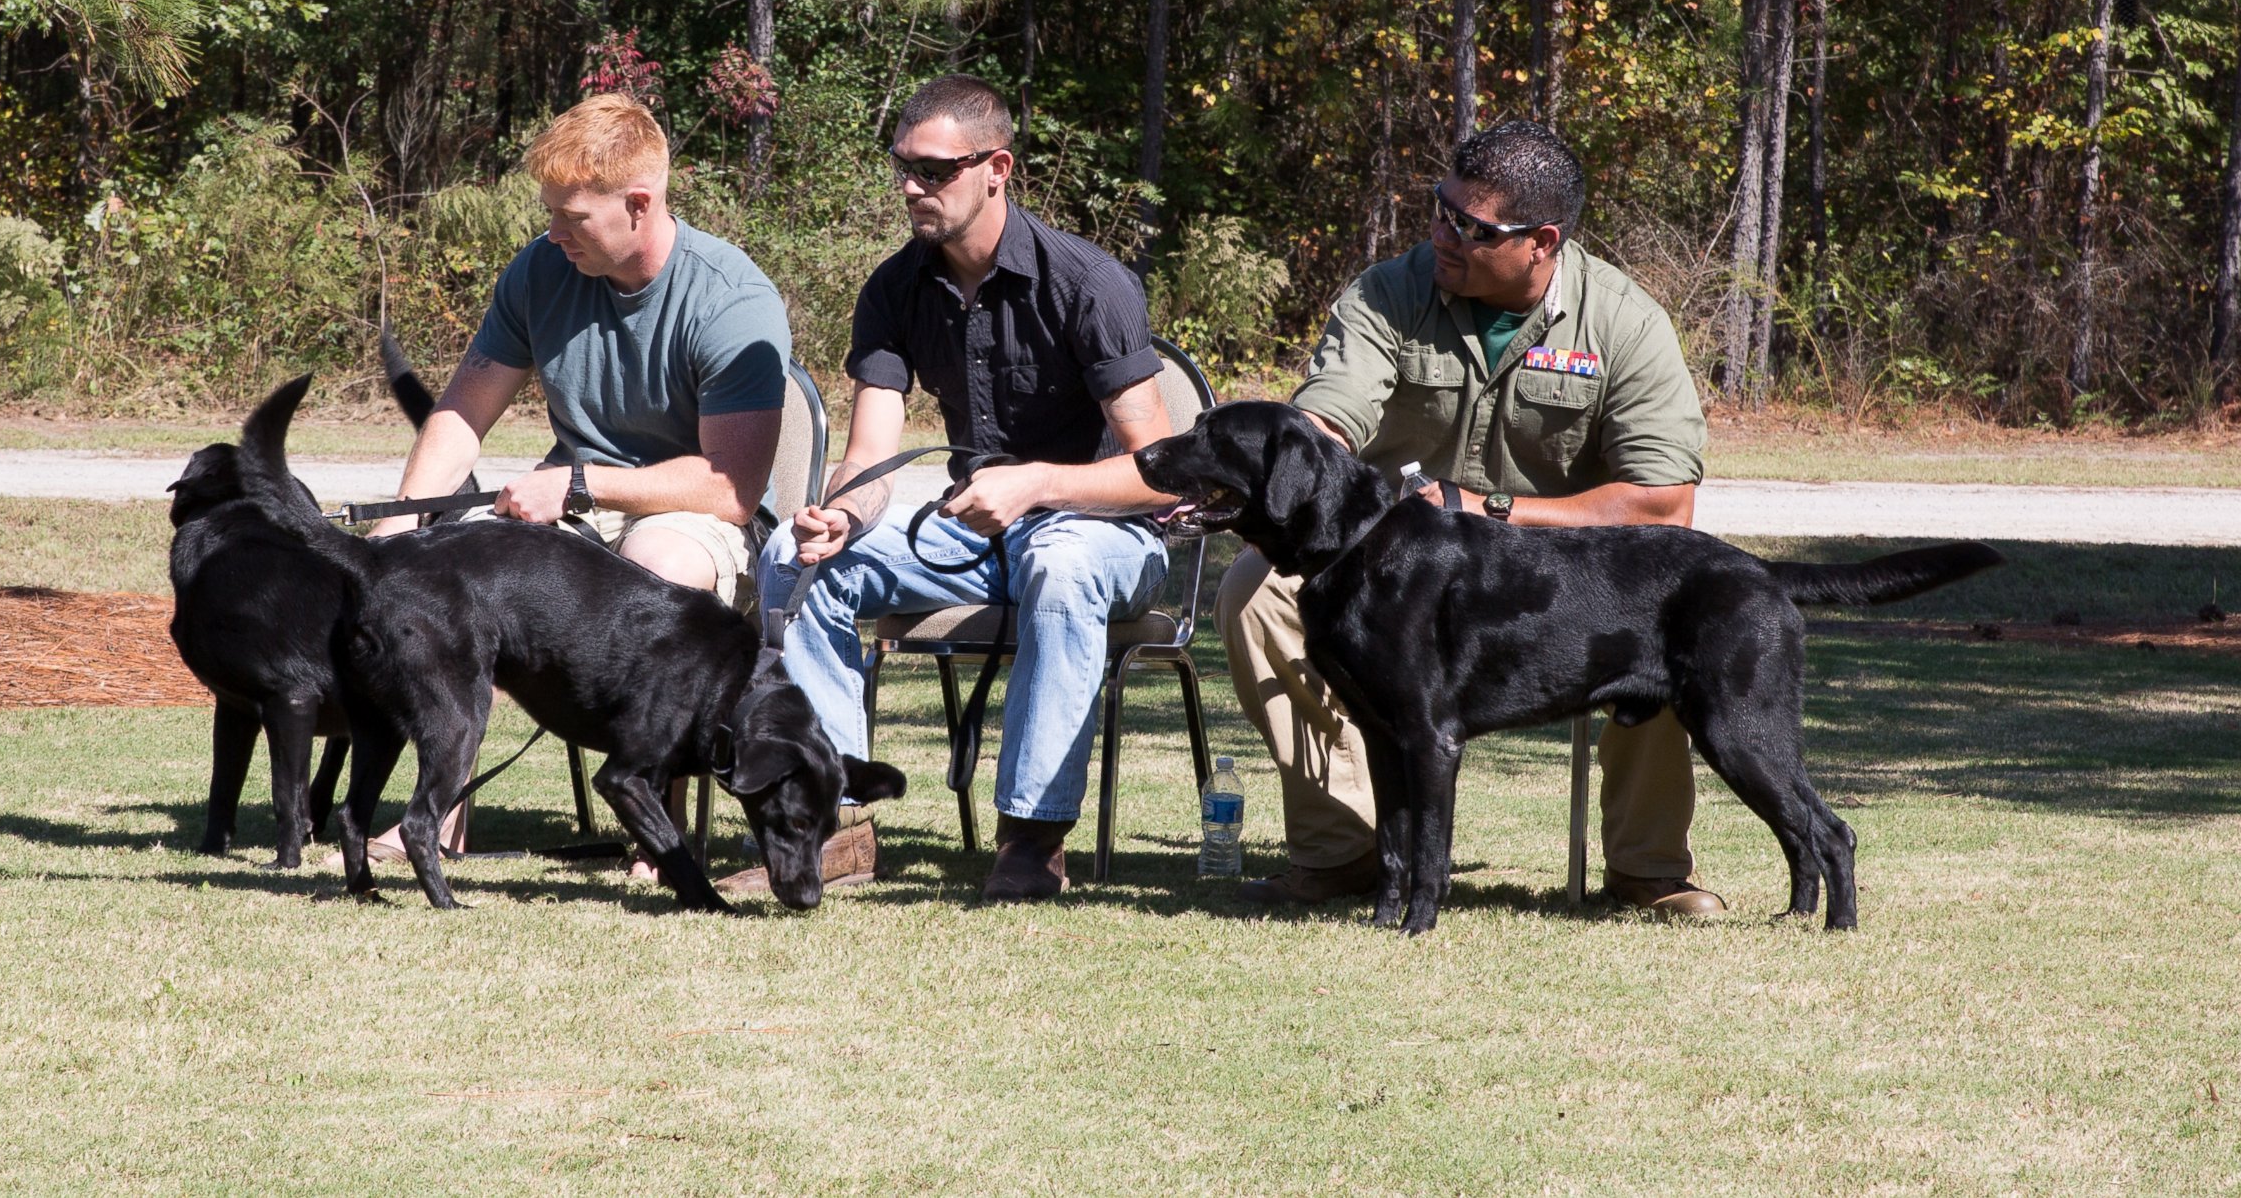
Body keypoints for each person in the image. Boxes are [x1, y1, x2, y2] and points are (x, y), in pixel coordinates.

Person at [1217, 119, 1722, 918]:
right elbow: (1323, 430)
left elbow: (1664, 502)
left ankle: (1649, 870)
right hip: (1393, 567)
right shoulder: (1389, 293)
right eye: (1438, 209)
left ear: (1540, 242)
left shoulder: (1625, 323)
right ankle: (1345, 849)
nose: (1441, 234)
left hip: (1561, 570)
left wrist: (1488, 508)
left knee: (1663, 606)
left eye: (1470, 226)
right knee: (1257, 592)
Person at [740, 75, 1178, 902]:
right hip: (974, 534)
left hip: (1103, 531)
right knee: (795, 560)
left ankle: (1031, 838)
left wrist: (1035, 485)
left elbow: (1160, 472)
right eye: (903, 165)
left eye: (934, 170)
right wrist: (839, 515)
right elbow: (872, 451)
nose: (912, 186)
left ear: (996, 168)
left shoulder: (1088, 283)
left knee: (1063, 567)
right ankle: (829, 820)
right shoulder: (895, 289)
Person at [366, 93, 792, 858]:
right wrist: (400, 522)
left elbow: (732, 489)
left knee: (656, 567)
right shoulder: (540, 271)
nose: (554, 233)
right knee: (456, 575)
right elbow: (464, 411)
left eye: (574, 217)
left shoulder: (731, 297)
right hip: (578, 504)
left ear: (639, 203)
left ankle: (652, 834)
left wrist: (583, 484)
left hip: (695, 516)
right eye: (551, 213)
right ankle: (436, 822)